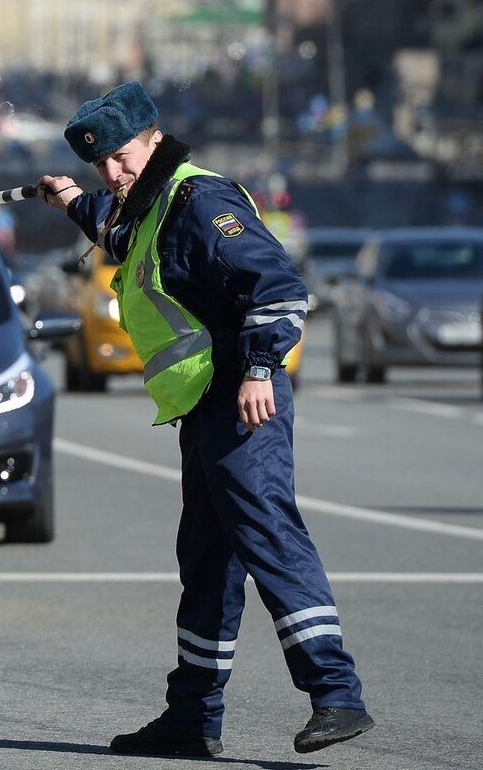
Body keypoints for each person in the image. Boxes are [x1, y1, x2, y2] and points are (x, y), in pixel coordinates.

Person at [37, 81, 374, 757]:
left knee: (269, 539)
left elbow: (277, 285)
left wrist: (258, 368)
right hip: (204, 407)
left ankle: (336, 695)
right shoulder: (153, 201)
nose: (112, 173)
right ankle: (192, 718)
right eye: (99, 165)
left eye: (122, 157)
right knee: (208, 564)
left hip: (240, 399)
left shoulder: (200, 198)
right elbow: (121, 229)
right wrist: (75, 202)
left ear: (153, 139)